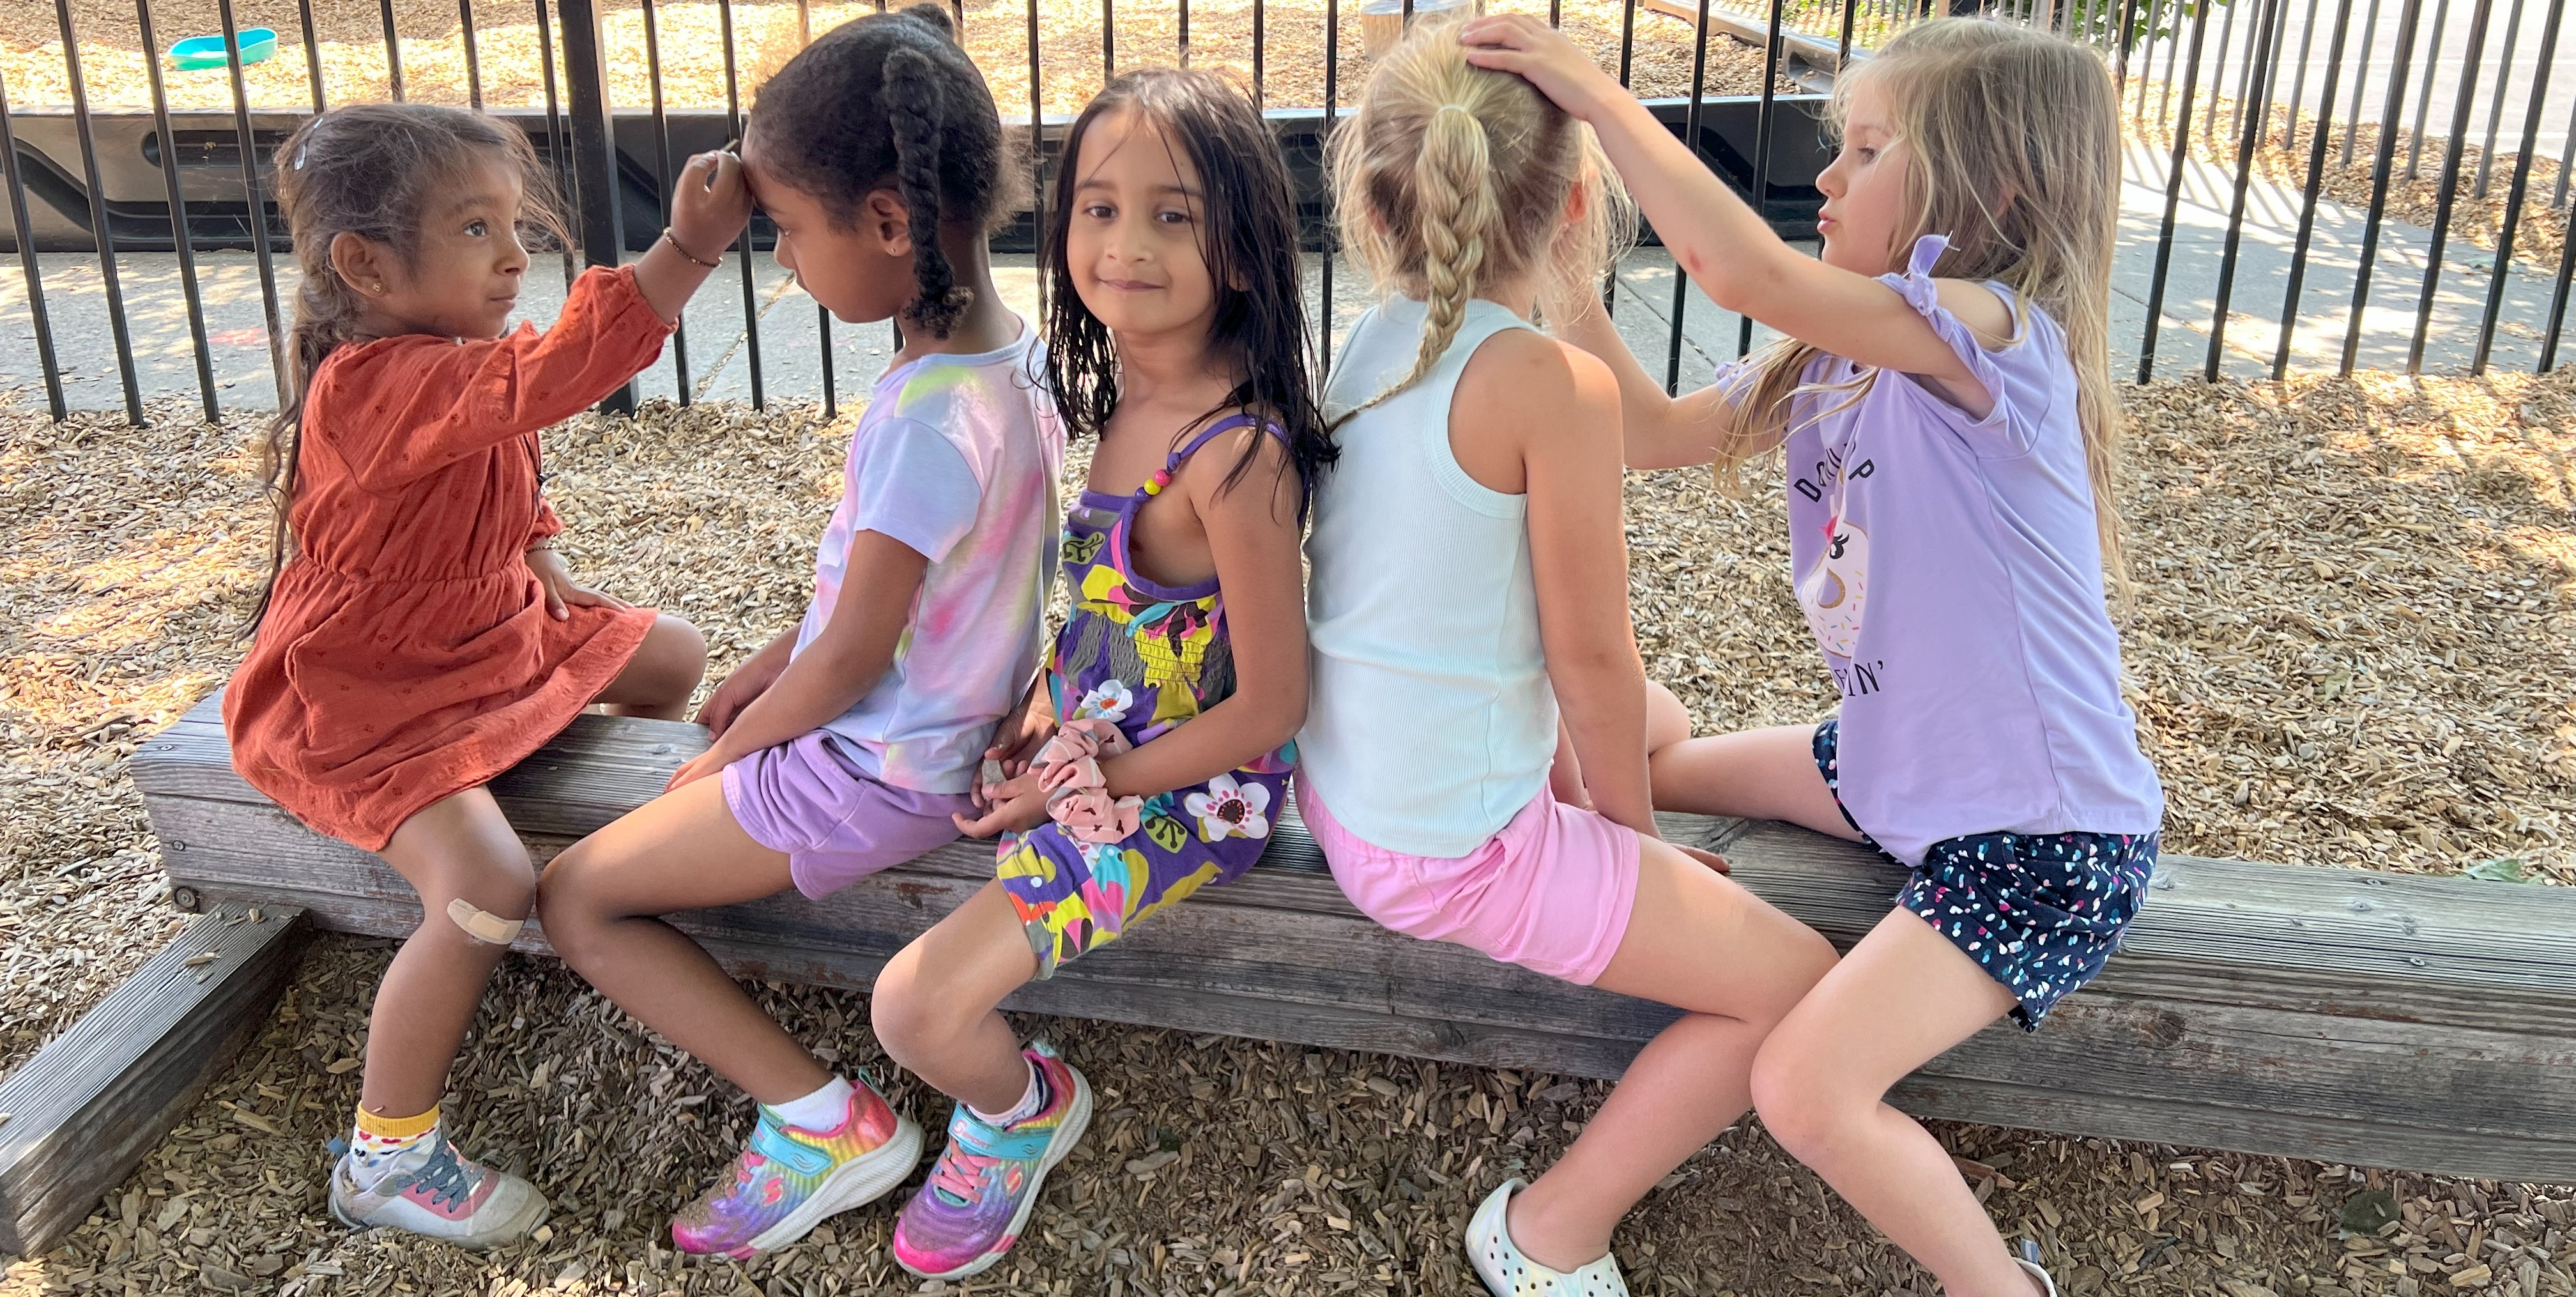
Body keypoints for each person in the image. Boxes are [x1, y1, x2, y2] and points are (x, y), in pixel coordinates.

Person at [1462, 16, 2165, 1296]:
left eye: (1864, 149)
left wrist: (1597, 94)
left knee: (1805, 1083)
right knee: (1656, 753)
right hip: (1898, 770)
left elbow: (1743, 271)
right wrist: (1572, 263)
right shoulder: (1837, 349)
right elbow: (1657, 430)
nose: (1826, 178)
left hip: (2041, 835)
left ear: (1990, 186)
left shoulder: (1994, 337)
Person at [1294, 22, 1840, 1297]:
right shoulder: (1551, 388)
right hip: (1445, 847)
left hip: (1350, 782)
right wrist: (1631, 845)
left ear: (1378, 207)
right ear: (1581, 199)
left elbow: (1618, 482)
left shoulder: (1375, 341)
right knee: (1793, 985)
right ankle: (1548, 1232)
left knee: (1665, 713)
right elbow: (1588, 661)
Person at [533, 4, 1061, 1261]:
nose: (782, 263)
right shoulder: (1006, 360)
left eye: (786, 231)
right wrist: (781, 651)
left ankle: (823, 1119)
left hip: (874, 771)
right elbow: (912, 594)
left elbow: (854, 660)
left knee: (574, 897)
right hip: (918, 738)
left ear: (886, 221)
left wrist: (733, 752)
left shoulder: (927, 421)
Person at [224, 102, 746, 1247]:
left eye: (512, 224)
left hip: (484, 637)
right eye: (475, 229)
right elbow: (543, 383)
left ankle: (603, 865)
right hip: (371, 695)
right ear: (363, 264)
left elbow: (507, 454)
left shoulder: (447, 360)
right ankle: (389, 1150)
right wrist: (687, 250)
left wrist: (540, 549)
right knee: (483, 881)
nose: (514, 256)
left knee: (672, 654)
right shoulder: (371, 385)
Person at [861, 66, 1330, 1282]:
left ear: (1239, 247)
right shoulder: (1127, 384)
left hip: (1183, 796)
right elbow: (1118, 607)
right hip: (1094, 737)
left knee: (912, 1010)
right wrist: (1041, 706)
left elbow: (1272, 704)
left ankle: (1022, 1111)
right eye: (1099, 208)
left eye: (1173, 215)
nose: (1126, 245)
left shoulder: (1231, 451)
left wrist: (1081, 772)